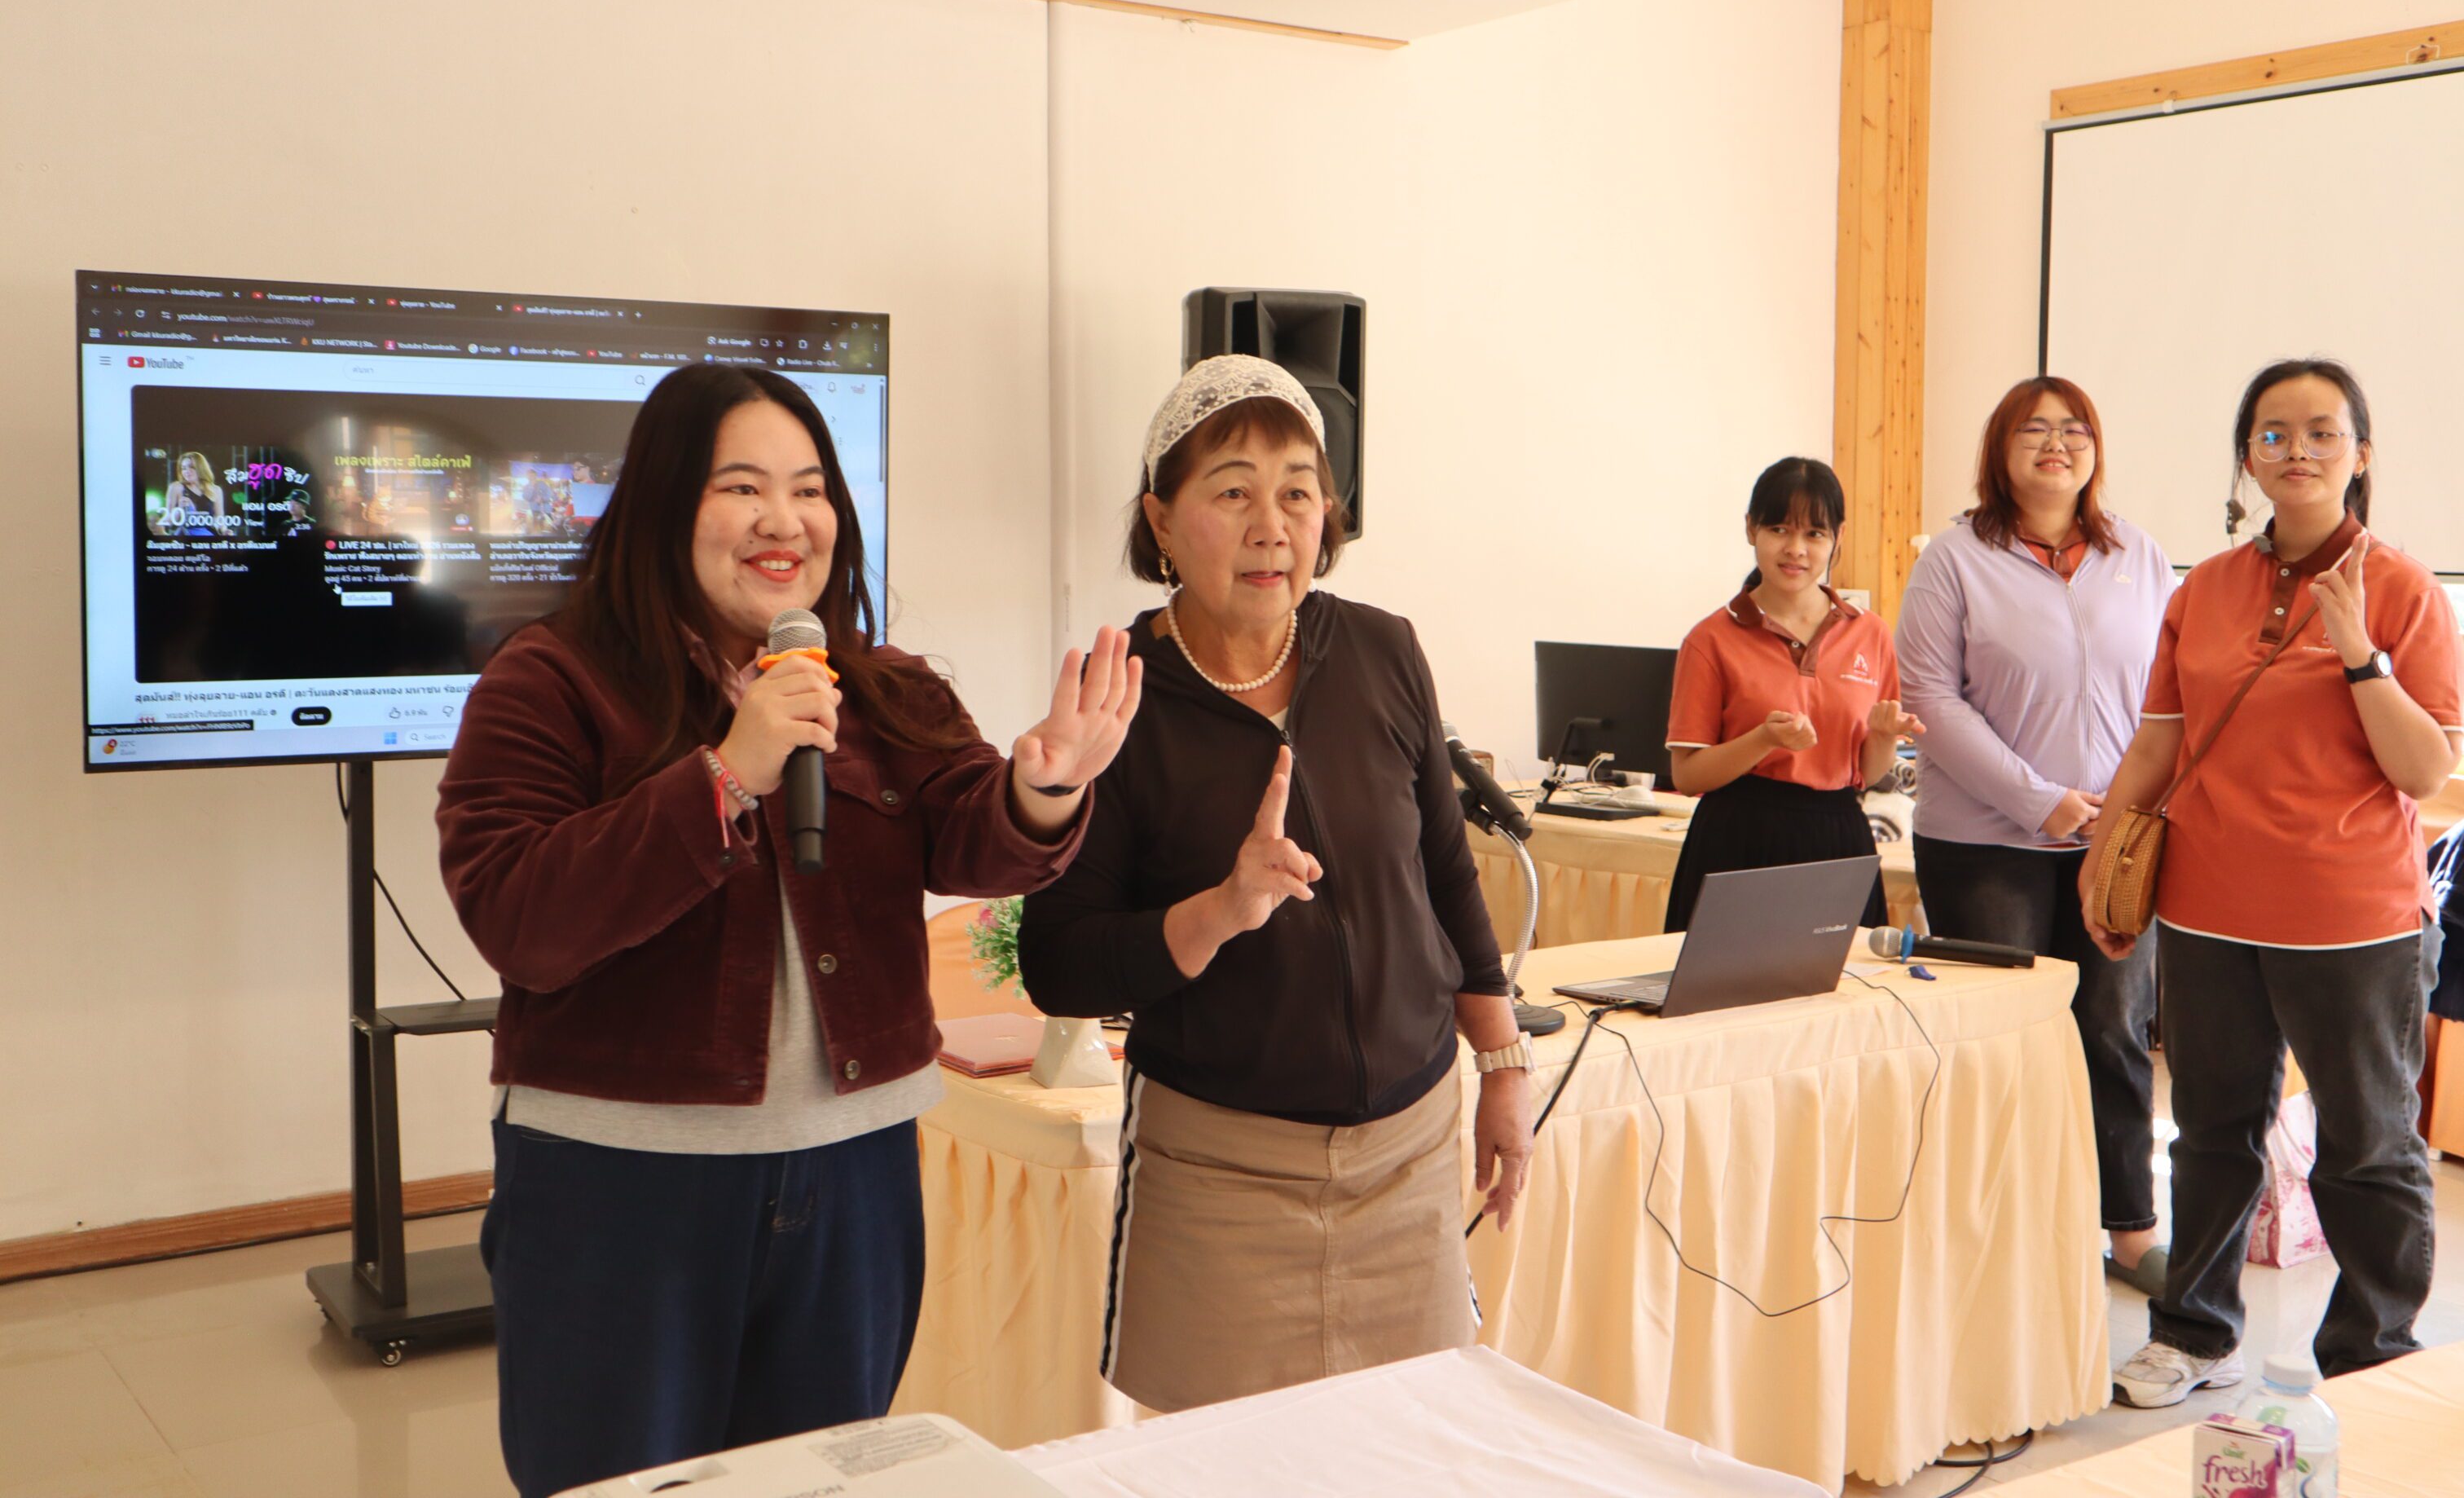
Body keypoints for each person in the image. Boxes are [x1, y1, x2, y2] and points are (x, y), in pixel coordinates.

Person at [435, 363, 1142, 1498]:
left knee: (819, 1478)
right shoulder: (550, 679)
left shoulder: (882, 686)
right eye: (743, 488)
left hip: (854, 1174)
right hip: (625, 1183)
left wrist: (1043, 787)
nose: (785, 521)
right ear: (666, 505)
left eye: (810, 490)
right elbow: (520, 915)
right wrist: (727, 772)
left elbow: (975, 833)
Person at [1017, 354, 1533, 1415]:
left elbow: (1446, 873)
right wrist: (1221, 911)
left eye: (1298, 492)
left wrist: (1503, 1068)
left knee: (1406, 1455)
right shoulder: (1122, 699)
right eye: (1233, 492)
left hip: (1409, 1153)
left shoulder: (1384, 651)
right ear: (1162, 522)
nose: (1272, 526)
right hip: (1220, 1177)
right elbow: (1058, 964)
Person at [2085, 359, 2460, 1406]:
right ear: (2247, 457)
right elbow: (2158, 745)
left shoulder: (2405, 590)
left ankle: (2371, 1360)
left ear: (2361, 453)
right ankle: (2196, 1334)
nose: (2297, 451)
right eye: (2273, 433)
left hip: (2353, 921)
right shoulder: (2203, 588)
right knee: (2209, 1135)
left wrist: (2359, 652)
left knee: (2368, 1148)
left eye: (2322, 432)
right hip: (2207, 910)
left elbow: (2424, 771)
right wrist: (2105, 859)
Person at [1897, 377, 2176, 1292]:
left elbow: (2171, 694)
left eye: (2075, 430)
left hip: (2118, 841)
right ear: (2000, 450)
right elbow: (1930, 699)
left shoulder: (2139, 555)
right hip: (1985, 841)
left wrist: (2128, 808)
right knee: (2002, 1038)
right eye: (2034, 430)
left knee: (2114, 1029)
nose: (2057, 445)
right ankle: (2001, 1234)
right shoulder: (1953, 559)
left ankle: (2130, 1230)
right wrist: (2040, 800)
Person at [1661, 456, 1921, 932]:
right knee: (1731, 980)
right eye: (1779, 529)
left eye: (1814, 534)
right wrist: (1764, 739)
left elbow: (1866, 774)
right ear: (1751, 529)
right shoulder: (1710, 639)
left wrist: (1884, 735)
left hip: (1839, 838)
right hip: (1738, 840)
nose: (1796, 549)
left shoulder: (1871, 634)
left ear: (1838, 537)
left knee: (1845, 979)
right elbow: (1688, 775)